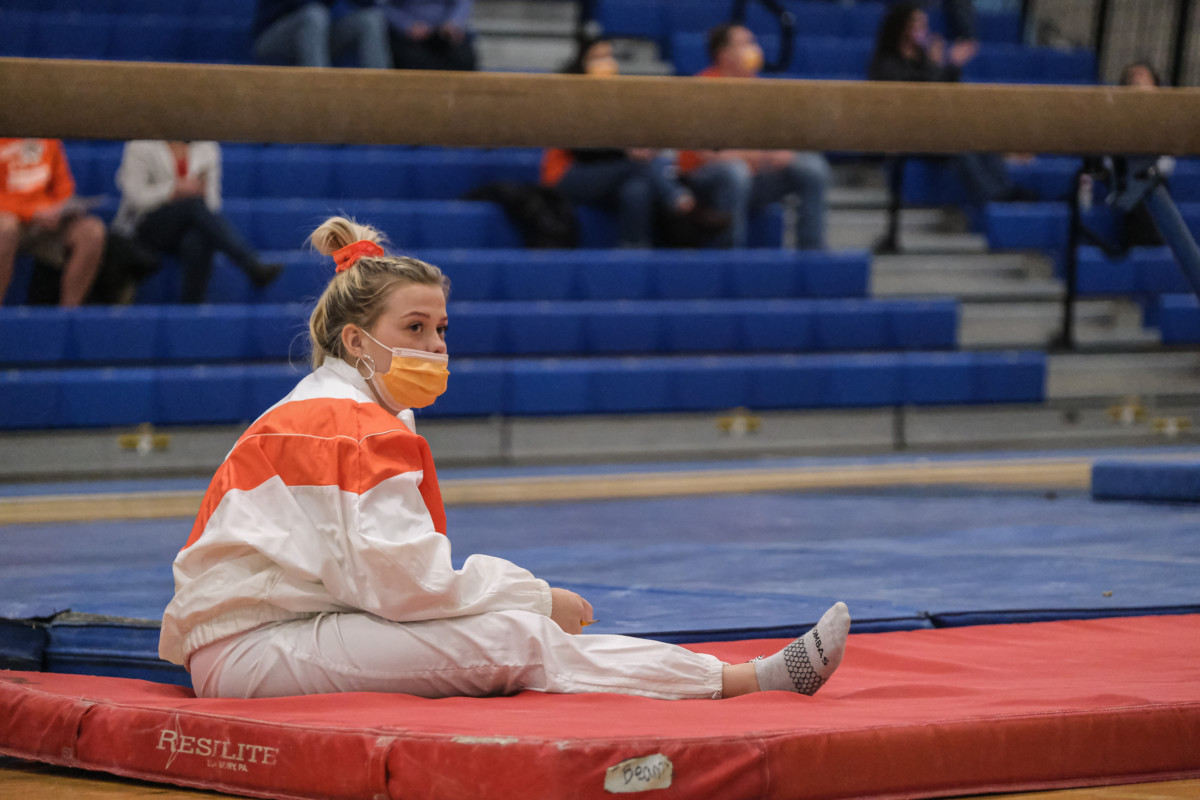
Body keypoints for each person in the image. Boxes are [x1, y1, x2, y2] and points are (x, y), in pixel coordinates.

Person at [161, 215, 852, 701]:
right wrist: (535, 596)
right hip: (253, 649)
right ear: (356, 342)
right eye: (413, 328)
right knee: (514, 639)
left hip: (279, 632)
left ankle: (728, 675)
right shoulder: (347, 425)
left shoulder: (343, 409)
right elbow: (407, 589)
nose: (435, 346)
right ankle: (742, 681)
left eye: (440, 328)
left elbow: (381, 585)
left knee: (503, 630)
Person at [541, 37, 730, 248]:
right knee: (639, 166)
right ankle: (683, 204)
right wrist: (625, 153)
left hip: (614, 174)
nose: (605, 61)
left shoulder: (618, 96)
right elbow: (581, 148)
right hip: (568, 174)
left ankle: (634, 251)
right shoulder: (573, 94)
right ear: (582, 61)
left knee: (636, 189)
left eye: (609, 56)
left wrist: (639, 149)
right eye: (598, 57)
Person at [677, 24, 831, 250]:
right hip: (705, 180)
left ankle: (812, 251)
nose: (754, 49)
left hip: (754, 179)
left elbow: (776, 139)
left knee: (811, 168)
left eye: (753, 42)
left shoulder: (758, 88)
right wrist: (759, 155)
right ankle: (730, 256)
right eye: (745, 43)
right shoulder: (704, 87)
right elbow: (707, 154)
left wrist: (781, 151)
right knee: (735, 172)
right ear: (723, 53)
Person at [867, 3, 1033, 207]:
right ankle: (994, 196)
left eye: (923, 24)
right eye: (916, 24)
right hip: (907, 133)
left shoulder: (923, 59)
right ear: (901, 27)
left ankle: (1006, 189)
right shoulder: (887, 63)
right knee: (959, 142)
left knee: (980, 136)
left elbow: (945, 91)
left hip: (935, 129)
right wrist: (947, 64)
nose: (921, 29)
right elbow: (921, 91)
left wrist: (944, 66)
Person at [114, 140, 282, 304]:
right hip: (147, 225)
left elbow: (212, 203)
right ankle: (251, 264)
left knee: (197, 239)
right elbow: (135, 198)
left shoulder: (207, 146)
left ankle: (191, 308)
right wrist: (173, 191)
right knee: (192, 206)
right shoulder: (140, 144)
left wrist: (187, 195)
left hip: (188, 227)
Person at [0, 138, 105, 307]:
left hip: (47, 222)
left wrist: (60, 210)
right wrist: (31, 213)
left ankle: (68, 315)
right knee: (5, 228)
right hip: (9, 219)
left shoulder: (47, 137)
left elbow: (64, 187)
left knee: (92, 231)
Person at [253, 0, 392, 69]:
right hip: (270, 37)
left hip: (317, 35)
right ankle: (321, 87)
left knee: (371, 19)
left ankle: (382, 88)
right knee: (314, 14)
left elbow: (366, 4)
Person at [383, 0, 477, 71]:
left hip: (444, 33)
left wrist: (454, 23)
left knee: (464, 58)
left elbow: (462, 3)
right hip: (407, 35)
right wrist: (406, 25)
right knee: (413, 60)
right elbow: (382, 7)